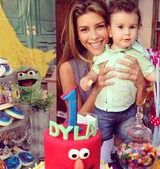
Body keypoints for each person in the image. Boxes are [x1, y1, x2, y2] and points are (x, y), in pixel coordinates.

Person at [57, 0, 147, 145]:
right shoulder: (68, 68)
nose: (94, 36)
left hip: (125, 147)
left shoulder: (131, 56)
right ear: (77, 34)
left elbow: (138, 113)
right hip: (93, 147)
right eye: (84, 29)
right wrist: (96, 90)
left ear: (110, 27)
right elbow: (77, 120)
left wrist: (141, 85)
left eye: (99, 27)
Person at [79, 0, 156, 142]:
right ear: (110, 31)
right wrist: (88, 79)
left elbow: (151, 74)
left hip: (128, 111)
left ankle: (127, 159)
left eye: (132, 27)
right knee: (99, 140)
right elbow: (94, 72)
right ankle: (103, 161)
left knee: (133, 140)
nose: (127, 33)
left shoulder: (139, 54)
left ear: (138, 29)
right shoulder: (103, 54)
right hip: (103, 112)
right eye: (120, 27)